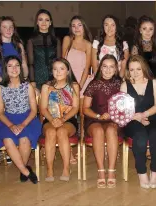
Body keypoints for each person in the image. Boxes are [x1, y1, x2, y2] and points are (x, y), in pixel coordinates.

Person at [0, 56, 40, 184]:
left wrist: (23, 124)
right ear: (5, 69)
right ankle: (26, 171)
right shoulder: (1, 88)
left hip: (28, 119)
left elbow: (34, 111)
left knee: (24, 140)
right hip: (8, 120)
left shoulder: (27, 86)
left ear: (20, 68)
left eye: (17, 65)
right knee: (8, 140)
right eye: (10, 66)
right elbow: (0, 112)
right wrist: (11, 125)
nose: (14, 68)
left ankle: (22, 168)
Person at [121, 55, 156, 189]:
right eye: (132, 70)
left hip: (151, 116)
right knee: (140, 136)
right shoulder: (125, 85)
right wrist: (136, 117)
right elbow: (122, 109)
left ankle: (155, 172)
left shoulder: (154, 83)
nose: (135, 73)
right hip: (132, 119)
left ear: (144, 68)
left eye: (138, 69)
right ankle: (142, 172)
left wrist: (144, 114)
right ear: (128, 70)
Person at [83, 54, 122, 188]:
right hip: (94, 119)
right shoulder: (93, 84)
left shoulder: (121, 84)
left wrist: (113, 115)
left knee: (111, 130)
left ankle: (111, 170)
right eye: (105, 66)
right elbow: (85, 109)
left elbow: (126, 106)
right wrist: (99, 117)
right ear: (100, 68)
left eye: (111, 67)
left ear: (116, 69)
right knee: (98, 131)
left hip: (114, 120)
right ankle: (100, 170)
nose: (108, 70)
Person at [40, 58, 80, 182]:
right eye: (55, 69)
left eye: (61, 68)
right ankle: (50, 169)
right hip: (50, 119)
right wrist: (52, 120)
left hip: (68, 120)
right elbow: (43, 108)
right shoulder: (46, 86)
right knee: (51, 132)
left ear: (68, 71)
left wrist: (62, 119)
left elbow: (75, 108)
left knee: (62, 132)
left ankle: (66, 168)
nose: (58, 72)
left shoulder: (74, 86)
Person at [62, 15, 93, 165]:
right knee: (67, 114)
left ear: (84, 26)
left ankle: (81, 146)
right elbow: (63, 64)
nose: (76, 28)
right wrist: (68, 84)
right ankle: (70, 150)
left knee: (81, 115)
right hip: (67, 82)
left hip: (83, 82)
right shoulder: (67, 40)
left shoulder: (88, 44)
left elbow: (87, 68)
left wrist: (79, 86)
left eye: (79, 25)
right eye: (73, 25)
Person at [0, 16, 29, 115]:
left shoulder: (19, 45)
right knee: (2, 117)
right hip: (2, 84)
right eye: (4, 27)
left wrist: (24, 80)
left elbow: (24, 66)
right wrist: (6, 83)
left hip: (19, 85)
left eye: (11, 27)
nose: (8, 29)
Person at [27, 9, 61, 90]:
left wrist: (57, 78)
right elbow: (30, 63)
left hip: (54, 78)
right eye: (40, 19)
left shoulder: (56, 40)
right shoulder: (31, 40)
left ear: (50, 23)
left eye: (47, 20)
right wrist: (32, 81)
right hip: (37, 78)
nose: (44, 22)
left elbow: (59, 61)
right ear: (37, 22)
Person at [131, 15, 156, 85]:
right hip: (140, 84)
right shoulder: (136, 48)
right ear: (140, 30)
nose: (148, 32)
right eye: (144, 28)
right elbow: (133, 69)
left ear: (154, 31)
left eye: (151, 29)